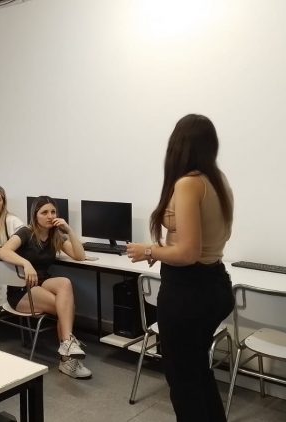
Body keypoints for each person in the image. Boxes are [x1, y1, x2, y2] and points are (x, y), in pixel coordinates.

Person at [126, 114, 235, 421]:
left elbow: (188, 253)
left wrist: (149, 250)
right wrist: (164, 252)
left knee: (183, 381)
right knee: (198, 372)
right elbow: (200, 244)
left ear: (178, 145)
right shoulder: (217, 180)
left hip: (188, 292)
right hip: (214, 284)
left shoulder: (188, 184)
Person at [0, 196, 91, 379]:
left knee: (65, 283)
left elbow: (79, 256)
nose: (50, 216)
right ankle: (67, 359)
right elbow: (4, 251)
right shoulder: (25, 232)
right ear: (35, 215)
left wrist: (69, 230)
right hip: (21, 290)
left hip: (41, 283)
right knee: (66, 308)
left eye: (53, 212)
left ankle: (67, 345)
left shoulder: (55, 235)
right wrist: (26, 264)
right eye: (44, 212)